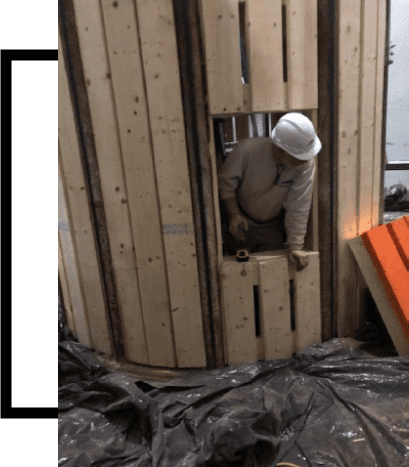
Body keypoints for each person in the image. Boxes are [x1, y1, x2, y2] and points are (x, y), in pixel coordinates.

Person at [218, 112, 322, 270]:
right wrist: (234, 215)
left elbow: (299, 205)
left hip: (272, 226)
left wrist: (295, 247)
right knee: (239, 274)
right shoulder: (247, 150)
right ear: (281, 150)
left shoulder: (305, 164)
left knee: (272, 274)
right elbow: (225, 184)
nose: (304, 161)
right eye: (298, 157)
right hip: (242, 222)